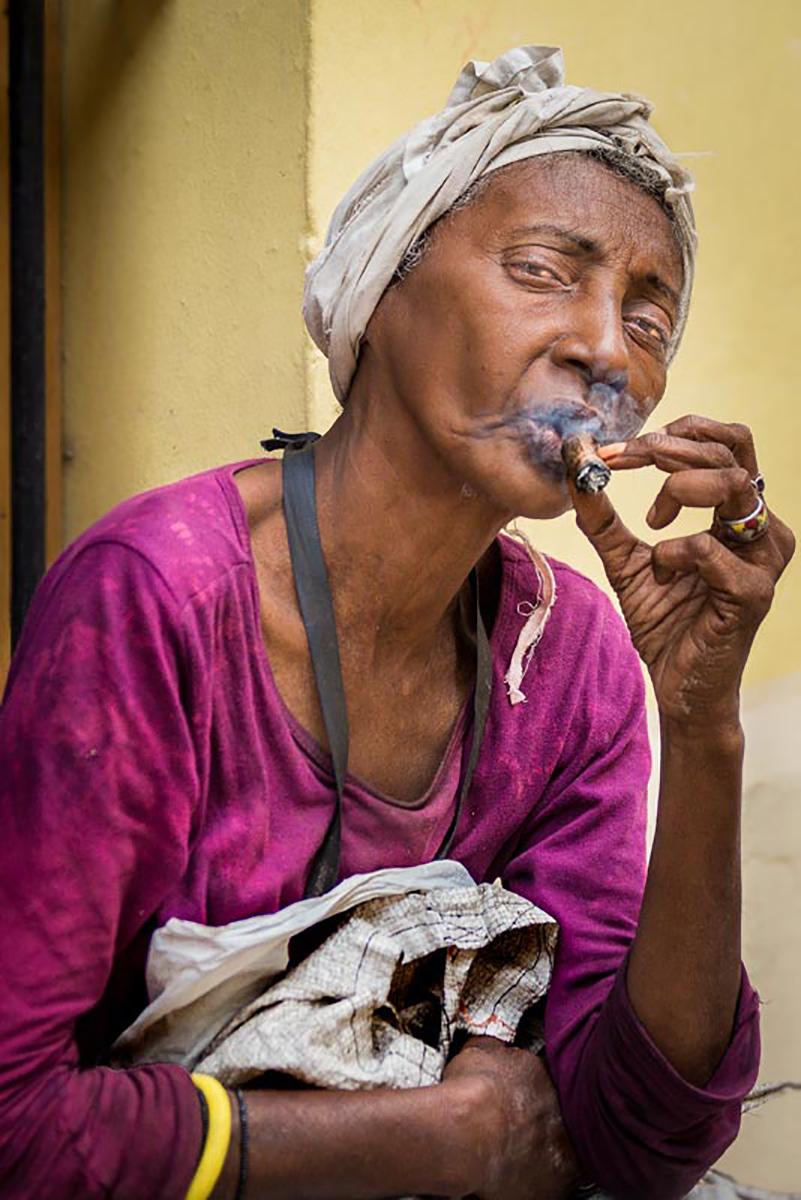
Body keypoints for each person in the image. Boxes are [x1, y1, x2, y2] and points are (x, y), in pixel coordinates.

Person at [0, 43, 794, 1200]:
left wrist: (704, 723)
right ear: (384, 290)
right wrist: (445, 1138)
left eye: (650, 315)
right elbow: (16, 1123)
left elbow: (647, 1137)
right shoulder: (160, 595)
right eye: (541, 269)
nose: (605, 347)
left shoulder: (569, 662)